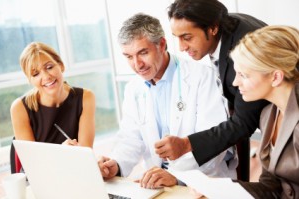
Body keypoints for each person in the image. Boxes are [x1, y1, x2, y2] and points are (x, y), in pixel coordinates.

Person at [98, 13, 237, 189]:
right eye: (128, 56)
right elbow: (130, 139)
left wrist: (176, 176)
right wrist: (115, 164)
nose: (137, 64)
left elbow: (214, 142)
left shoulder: (202, 77)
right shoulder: (134, 88)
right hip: (156, 184)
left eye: (143, 52)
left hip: (202, 183)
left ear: (162, 44)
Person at [155, 0, 269, 181]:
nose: (181, 47)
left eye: (187, 37)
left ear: (212, 28)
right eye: (176, 37)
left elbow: (243, 123)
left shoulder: (240, 53)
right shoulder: (224, 26)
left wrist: (186, 144)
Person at [230, 25, 299, 199]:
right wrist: (221, 188)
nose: (235, 83)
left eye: (243, 75)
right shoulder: (268, 114)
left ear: (275, 77)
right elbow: (271, 187)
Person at [10, 42, 95, 148]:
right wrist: (62, 152)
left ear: (61, 65)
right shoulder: (20, 107)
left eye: (49, 67)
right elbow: (31, 161)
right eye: (36, 74)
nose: (46, 77)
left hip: (74, 164)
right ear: (30, 80)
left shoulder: (85, 98)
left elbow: (85, 152)